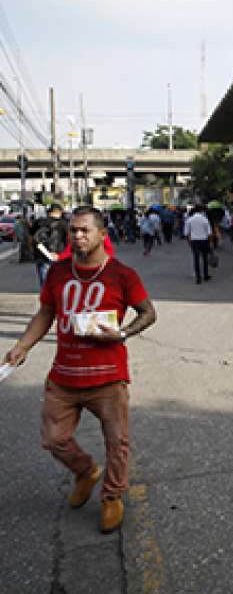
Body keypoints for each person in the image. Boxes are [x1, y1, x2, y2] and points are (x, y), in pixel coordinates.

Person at [3, 206, 156, 534]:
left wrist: (124, 333)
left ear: (103, 234)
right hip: (64, 377)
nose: (77, 236)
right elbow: (45, 313)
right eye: (73, 230)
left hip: (108, 377)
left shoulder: (122, 274)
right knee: (53, 439)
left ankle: (112, 496)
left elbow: (148, 312)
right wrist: (23, 346)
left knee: (117, 442)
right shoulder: (58, 273)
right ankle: (86, 471)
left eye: (85, 230)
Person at [31, 204, 69, 287]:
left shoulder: (38, 223)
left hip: (41, 255)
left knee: (45, 284)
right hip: (58, 256)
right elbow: (69, 241)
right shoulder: (64, 224)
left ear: (49, 212)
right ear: (60, 212)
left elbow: (32, 237)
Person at [185, 205, 212, 284]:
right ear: (201, 210)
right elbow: (209, 233)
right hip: (204, 241)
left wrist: (189, 242)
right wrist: (210, 243)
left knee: (196, 259)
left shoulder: (189, 220)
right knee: (205, 258)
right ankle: (206, 275)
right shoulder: (205, 219)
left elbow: (187, 233)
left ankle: (198, 278)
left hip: (194, 241)